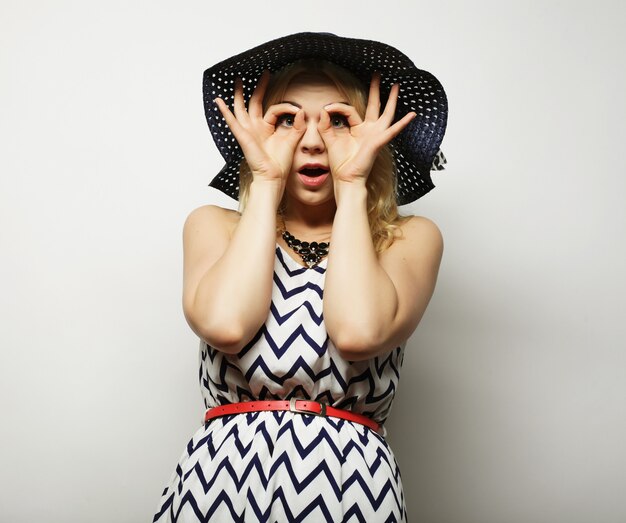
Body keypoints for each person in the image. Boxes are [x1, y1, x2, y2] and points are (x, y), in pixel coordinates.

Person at [153, 32, 448, 522]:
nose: (311, 140)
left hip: (349, 487)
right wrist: (265, 182)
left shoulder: (408, 240)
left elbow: (357, 333)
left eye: (338, 121)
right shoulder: (214, 226)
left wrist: (353, 184)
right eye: (286, 120)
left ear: (372, 131)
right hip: (220, 483)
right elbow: (226, 325)